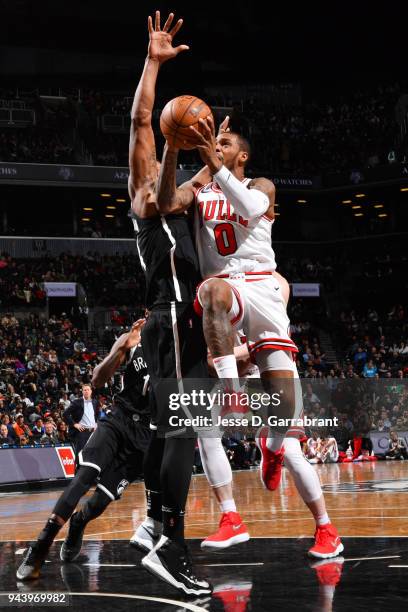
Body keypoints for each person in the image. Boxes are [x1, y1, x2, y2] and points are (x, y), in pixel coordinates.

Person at [156, 101, 300, 494]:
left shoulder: (261, 186)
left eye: (224, 142)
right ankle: (233, 392)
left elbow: (251, 208)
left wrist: (210, 158)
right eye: (213, 141)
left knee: (285, 403)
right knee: (214, 290)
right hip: (228, 286)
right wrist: (172, 145)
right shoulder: (201, 189)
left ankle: (272, 449)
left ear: (243, 155)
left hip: (263, 284)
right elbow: (165, 202)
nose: (217, 145)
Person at [126, 10, 211, 595]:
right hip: (174, 318)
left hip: (178, 321)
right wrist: (154, 63)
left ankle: (155, 522)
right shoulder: (144, 193)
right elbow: (139, 122)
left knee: (174, 429)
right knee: (184, 429)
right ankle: (170, 545)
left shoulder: (181, 195)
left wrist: (215, 153)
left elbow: (192, 187)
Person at [16, 320, 151, 581]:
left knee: (102, 500)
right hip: (118, 420)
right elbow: (98, 378)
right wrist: (122, 347)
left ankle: (78, 524)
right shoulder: (133, 338)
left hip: (145, 436)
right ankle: (40, 546)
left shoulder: (178, 347)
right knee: (83, 477)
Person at [63, 383, 99, 465]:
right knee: (80, 456)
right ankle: (77, 475)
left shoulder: (95, 402)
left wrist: (96, 423)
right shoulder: (77, 402)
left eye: (88, 390)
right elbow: (65, 414)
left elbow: (97, 414)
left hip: (93, 432)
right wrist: (74, 424)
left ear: (91, 391)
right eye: (84, 390)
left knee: (93, 454)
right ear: (82, 392)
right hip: (82, 432)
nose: (86, 391)